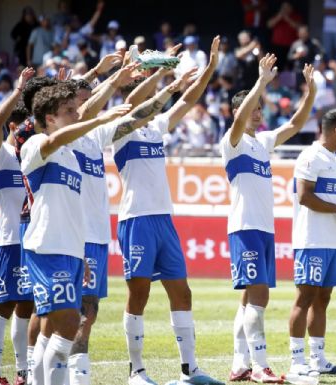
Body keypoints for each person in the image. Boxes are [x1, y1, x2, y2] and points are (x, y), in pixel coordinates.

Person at [66, 63, 194, 385]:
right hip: (74, 233)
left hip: (98, 233)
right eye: (78, 102)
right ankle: (41, 373)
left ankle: (188, 370)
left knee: (88, 312)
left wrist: (172, 80)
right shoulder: (58, 139)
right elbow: (128, 105)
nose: (85, 105)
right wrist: (115, 76)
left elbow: (148, 108)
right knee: (59, 311)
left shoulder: (97, 136)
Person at [114, 37, 223, 385]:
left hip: (163, 219)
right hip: (136, 219)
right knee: (140, 295)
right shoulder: (120, 128)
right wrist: (161, 71)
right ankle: (137, 371)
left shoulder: (156, 127)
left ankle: (190, 370)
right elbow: (133, 103)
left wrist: (209, 68)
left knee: (182, 292)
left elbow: (189, 99)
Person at [23, 82, 131, 385]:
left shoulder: (71, 157)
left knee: (59, 328)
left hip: (70, 251)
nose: (77, 114)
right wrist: (99, 120)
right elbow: (52, 142)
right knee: (70, 321)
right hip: (47, 248)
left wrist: (80, 255)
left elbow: (72, 210)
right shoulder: (36, 145)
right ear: (49, 119)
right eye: (69, 111)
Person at [222, 57, 316, 383]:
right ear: (239, 113)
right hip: (245, 226)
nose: (259, 112)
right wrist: (261, 81)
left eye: (261, 108)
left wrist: (312, 92)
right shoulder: (232, 142)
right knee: (259, 296)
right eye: (253, 108)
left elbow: (295, 124)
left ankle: (241, 364)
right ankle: (260, 366)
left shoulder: (262, 142)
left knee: (249, 297)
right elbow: (237, 124)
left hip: (263, 228)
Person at [288, 109, 336, 376]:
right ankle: (296, 361)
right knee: (305, 297)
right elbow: (304, 196)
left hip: (329, 240)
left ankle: (318, 359)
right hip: (310, 239)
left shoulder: (332, 159)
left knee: (323, 298)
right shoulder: (310, 156)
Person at [0, 68, 35, 385]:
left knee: (26, 308)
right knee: (3, 306)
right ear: (15, 128)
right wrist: (18, 92)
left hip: (34, 241)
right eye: (26, 131)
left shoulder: (32, 157)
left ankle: (22, 373)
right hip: (9, 241)